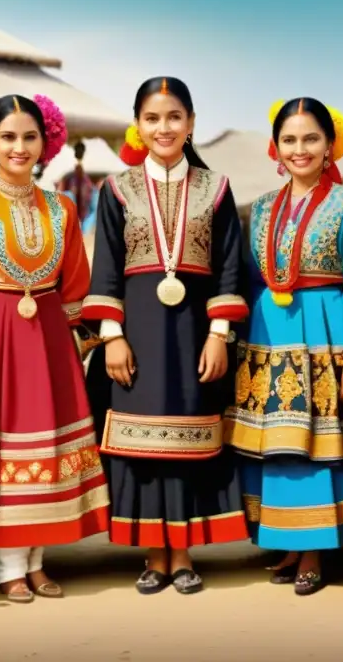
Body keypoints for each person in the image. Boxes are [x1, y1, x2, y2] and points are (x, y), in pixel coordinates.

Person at [0, 94, 109, 603]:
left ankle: (36, 562)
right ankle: (8, 565)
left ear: (44, 143)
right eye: (7, 137)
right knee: (3, 443)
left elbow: (74, 282)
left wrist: (77, 339)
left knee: (45, 445)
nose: (19, 147)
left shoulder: (62, 208)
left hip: (48, 338)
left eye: (30, 137)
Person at [83, 77, 250, 596]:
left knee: (191, 440)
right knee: (144, 447)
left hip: (196, 334)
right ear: (138, 125)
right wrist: (112, 337)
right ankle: (155, 555)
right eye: (152, 119)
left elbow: (229, 269)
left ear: (191, 123)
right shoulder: (115, 190)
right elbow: (106, 269)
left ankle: (184, 553)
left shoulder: (216, 187)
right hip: (138, 334)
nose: (164, 128)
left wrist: (220, 334)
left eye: (174, 117)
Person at [225, 97, 343, 596]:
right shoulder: (264, 206)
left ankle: (317, 547)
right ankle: (289, 539)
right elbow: (253, 277)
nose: (300, 149)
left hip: (326, 334)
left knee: (318, 443)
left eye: (311, 139)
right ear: (276, 146)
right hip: (270, 336)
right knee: (278, 445)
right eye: (290, 140)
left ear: (329, 145)